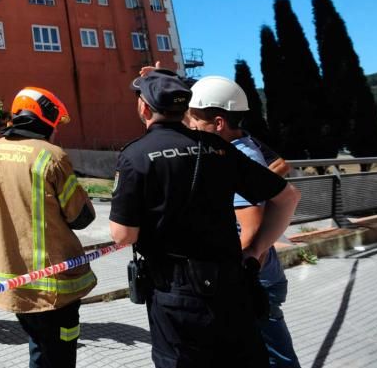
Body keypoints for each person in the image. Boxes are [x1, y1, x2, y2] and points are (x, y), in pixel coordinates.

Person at [109, 69, 301, 368]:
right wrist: (255, 251)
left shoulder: (135, 155)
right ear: (183, 108)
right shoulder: (219, 148)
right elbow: (288, 197)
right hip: (230, 285)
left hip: (175, 293)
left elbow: (123, 235)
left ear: (144, 108)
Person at [187, 76, 301, 367]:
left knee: (275, 357)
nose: (192, 127)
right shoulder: (243, 145)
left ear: (219, 123)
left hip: (255, 280)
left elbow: (250, 232)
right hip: (258, 278)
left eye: (197, 120)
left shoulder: (237, 158)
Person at [0, 87, 96, 368]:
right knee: (59, 355)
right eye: (55, 125)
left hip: (10, 280)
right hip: (54, 287)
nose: (56, 132)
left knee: (39, 348)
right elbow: (81, 217)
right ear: (44, 120)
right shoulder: (51, 156)